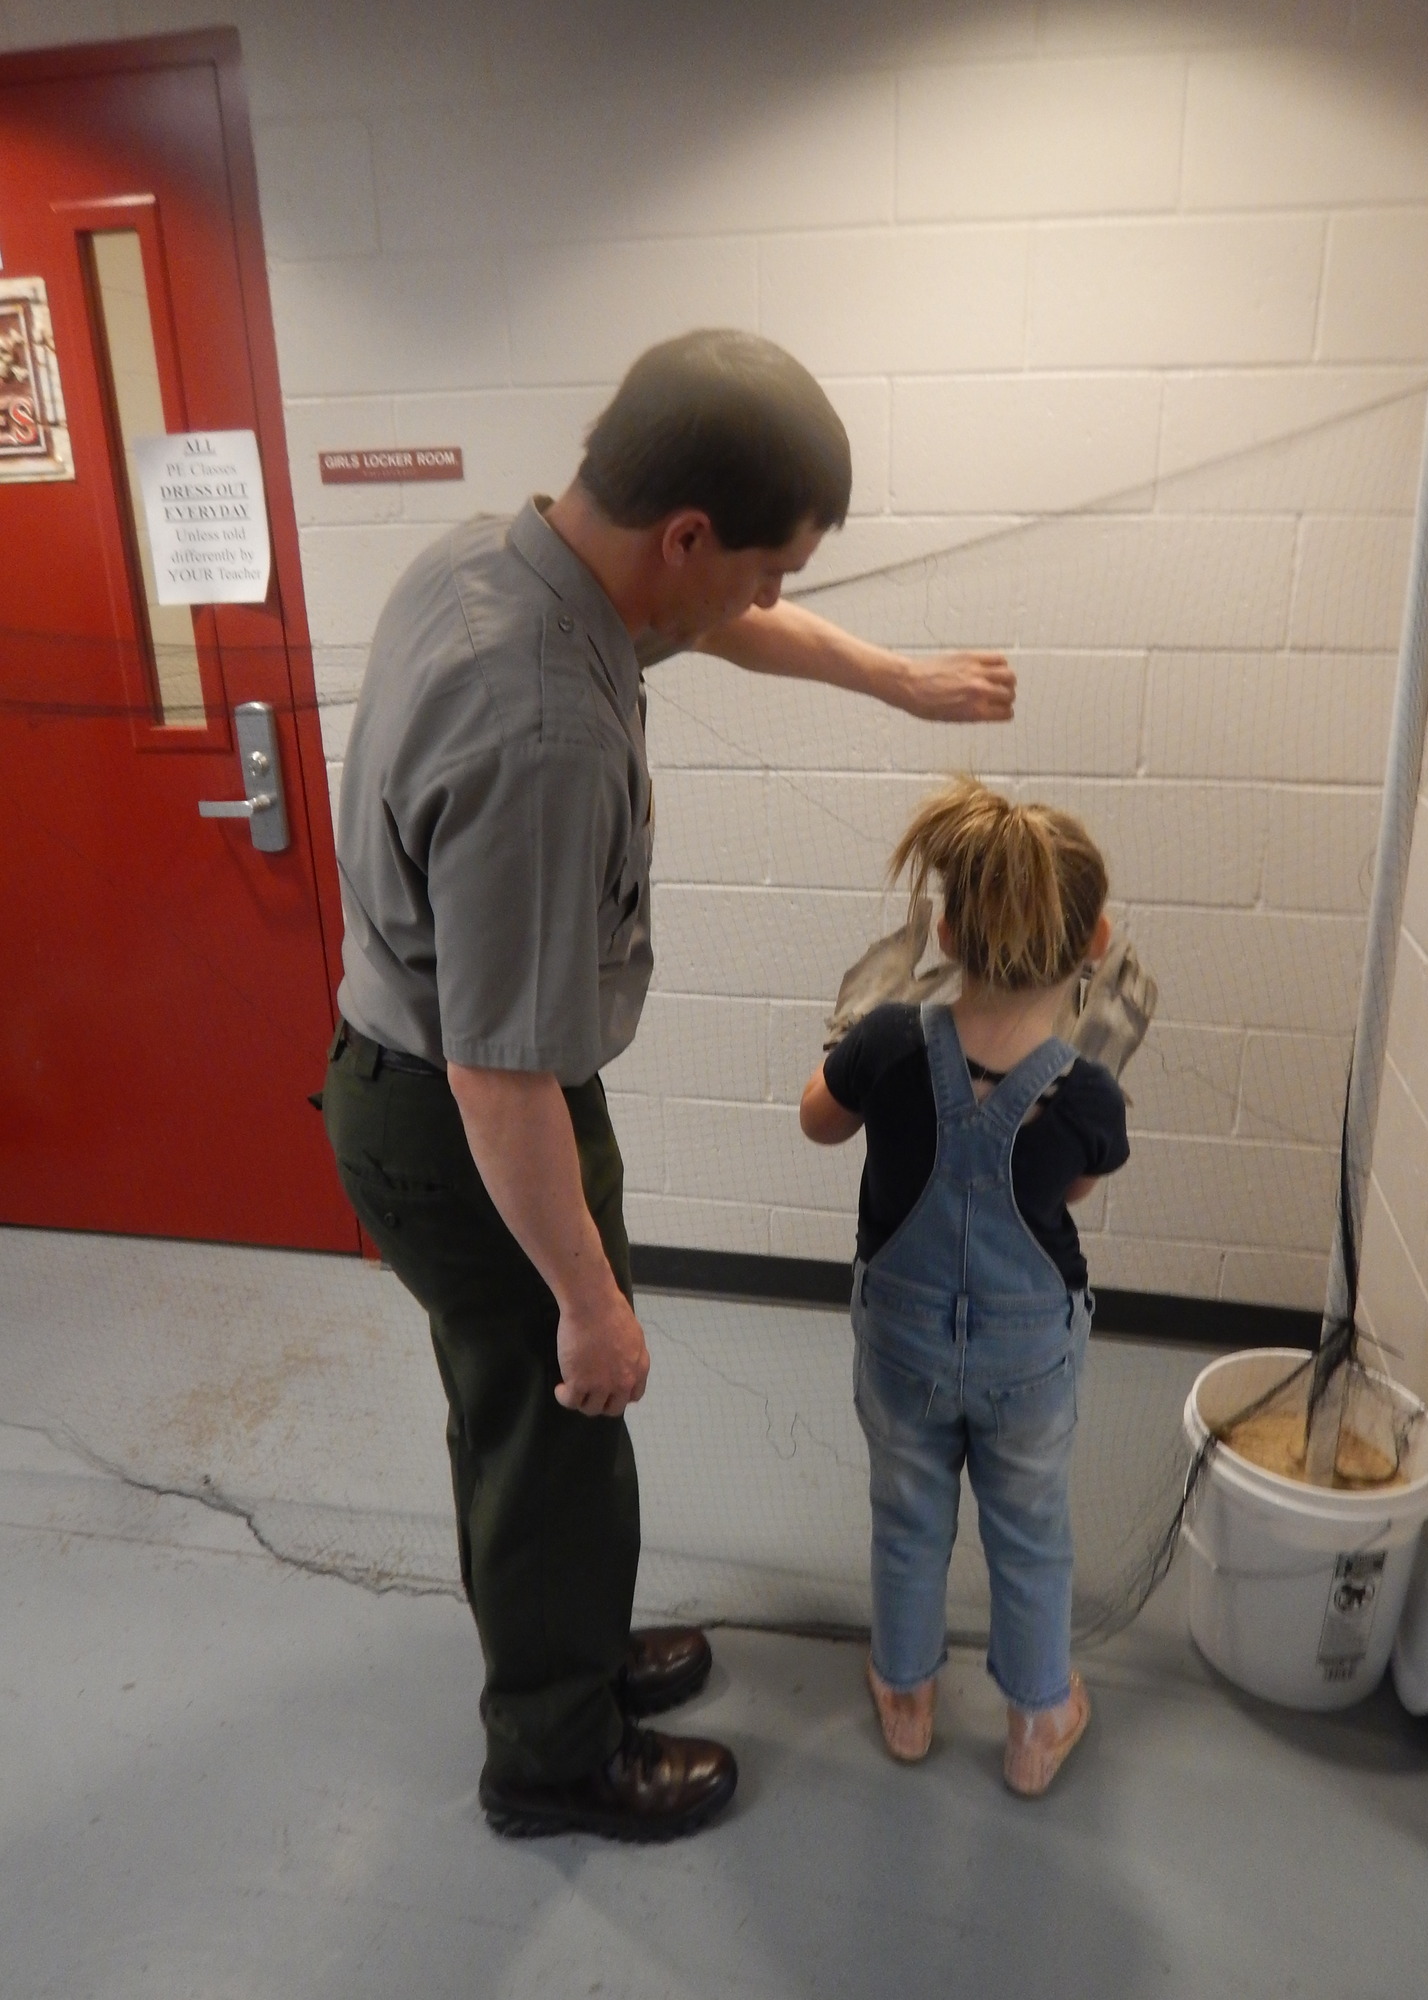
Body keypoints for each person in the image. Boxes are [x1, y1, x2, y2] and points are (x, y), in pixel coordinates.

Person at [320, 330, 1017, 1843]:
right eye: (766, 570)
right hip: (470, 1119)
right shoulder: (541, 723)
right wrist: (590, 1297)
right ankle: (553, 1759)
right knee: (557, 1418)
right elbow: (501, 1076)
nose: (767, 603)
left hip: (442, 1085)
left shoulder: (504, 563)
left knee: (535, 1425)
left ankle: (570, 1652)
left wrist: (894, 679)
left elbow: (714, 625)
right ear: (684, 535)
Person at [799, 777, 1128, 1796]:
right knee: (1031, 1528)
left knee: (907, 1511)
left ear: (944, 927)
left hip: (901, 1338)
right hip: (1027, 1354)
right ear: (1097, 939)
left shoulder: (890, 1042)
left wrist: (848, 1036)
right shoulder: (1086, 1090)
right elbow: (1069, 1188)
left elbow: (818, 1119)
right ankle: (1038, 1723)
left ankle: (906, 1699)